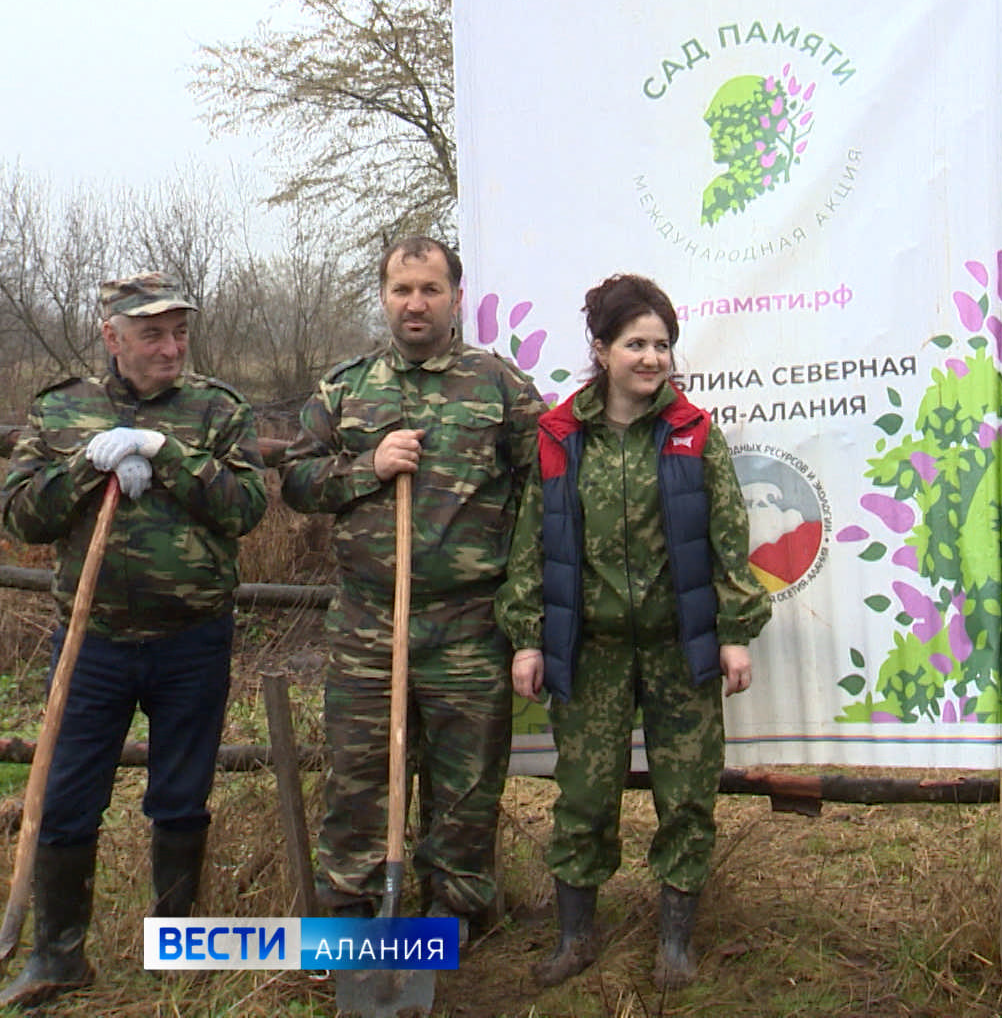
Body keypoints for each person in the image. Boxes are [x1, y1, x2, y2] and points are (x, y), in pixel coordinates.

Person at [495, 273, 770, 991]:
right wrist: (528, 636)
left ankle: (675, 942)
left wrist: (734, 630)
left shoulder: (693, 433)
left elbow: (727, 540)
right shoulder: (559, 436)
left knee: (686, 795)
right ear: (601, 349)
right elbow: (533, 543)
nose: (651, 358)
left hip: (681, 651)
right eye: (636, 343)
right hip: (592, 655)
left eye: (662, 344)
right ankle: (574, 938)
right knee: (584, 795)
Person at [0, 272, 267, 1006]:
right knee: (65, 795)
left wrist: (167, 453)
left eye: (179, 332)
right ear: (112, 336)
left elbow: (247, 507)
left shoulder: (216, 408)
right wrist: (85, 468)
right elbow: (20, 518)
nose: (171, 347)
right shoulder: (62, 410)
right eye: (152, 333)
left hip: (192, 640)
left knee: (180, 797)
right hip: (94, 641)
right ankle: (57, 955)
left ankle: (172, 946)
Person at [279, 236, 545, 936]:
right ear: (384, 298)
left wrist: (525, 617)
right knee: (361, 778)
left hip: (468, 626)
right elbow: (297, 483)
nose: (416, 303)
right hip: (369, 627)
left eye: (430, 289)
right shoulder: (347, 389)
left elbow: (543, 494)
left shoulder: (502, 389)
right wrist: (368, 463)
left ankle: (453, 922)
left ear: (457, 297)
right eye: (402, 290)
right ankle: (354, 921)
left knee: (466, 789)